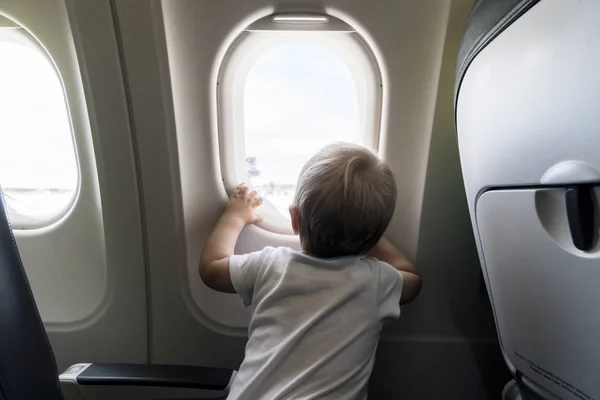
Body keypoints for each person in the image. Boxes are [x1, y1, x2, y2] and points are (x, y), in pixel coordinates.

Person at [199, 142, 422, 399]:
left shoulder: (271, 266)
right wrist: (372, 236)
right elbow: (413, 280)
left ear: (294, 219)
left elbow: (211, 268)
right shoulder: (376, 281)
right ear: (373, 238)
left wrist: (235, 216)